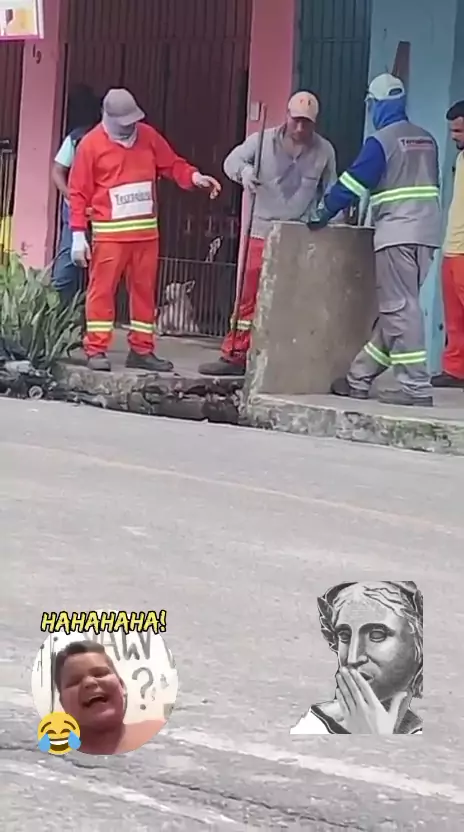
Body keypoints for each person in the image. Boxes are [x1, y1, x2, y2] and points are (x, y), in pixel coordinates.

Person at [310, 74, 441, 407]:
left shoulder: (381, 142)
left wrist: (323, 211)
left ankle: (415, 387)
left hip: (397, 233)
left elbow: (353, 184)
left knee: (400, 309)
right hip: (427, 235)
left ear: (376, 105)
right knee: (398, 309)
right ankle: (359, 377)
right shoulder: (426, 139)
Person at [68, 88, 221, 373]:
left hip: (146, 236)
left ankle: (142, 349)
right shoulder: (90, 146)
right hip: (110, 236)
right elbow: (78, 193)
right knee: (102, 292)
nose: (130, 127)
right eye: (124, 122)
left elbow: (172, 164)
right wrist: (78, 234)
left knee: (144, 294)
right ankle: (96, 349)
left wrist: (194, 177)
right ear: (107, 117)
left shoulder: (148, 136)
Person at [199, 91, 337, 377]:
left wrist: (331, 224)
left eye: (307, 123)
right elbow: (230, 161)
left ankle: (282, 357)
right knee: (248, 295)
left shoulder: (324, 151)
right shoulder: (261, 141)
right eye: (296, 120)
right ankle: (235, 354)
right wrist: (245, 173)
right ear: (287, 116)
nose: (300, 127)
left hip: (297, 234)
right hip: (261, 230)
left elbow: (331, 190)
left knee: (291, 296)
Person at [291, 581, 423, 735]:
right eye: (344, 636)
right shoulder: (312, 727)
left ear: (419, 643)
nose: (352, 658)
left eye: (377, 635)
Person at [53, 640, 164, 755]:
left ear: (122, 685)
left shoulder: (159, 734)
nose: (89, 682)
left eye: (100, 674)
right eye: (75, 681)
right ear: (63, 703)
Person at [51, 86, 101, 306]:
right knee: (65, 270)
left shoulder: (114, 141)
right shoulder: (76, 138)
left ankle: (87, 315)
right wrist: (71, 197)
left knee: (100, 272)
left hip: (104, 211)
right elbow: (57, 171)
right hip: (75, 210)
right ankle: (59, 316)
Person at [432, 101, 464, 388]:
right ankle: (455, 371)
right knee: (454, 318)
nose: (454, 136)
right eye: (452, 130)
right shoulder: (461, 158)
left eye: (459, 131)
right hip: (452, 248)